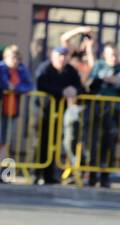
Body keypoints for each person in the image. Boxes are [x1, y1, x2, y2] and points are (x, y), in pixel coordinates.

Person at [33, 44, 81, 184]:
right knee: (40, 142)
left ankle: (49, 175)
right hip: (42, 111)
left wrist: (74, 90)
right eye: (59, 55)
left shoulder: (70, 70)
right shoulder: (45, 68)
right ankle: (36, 173)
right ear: (52, 56)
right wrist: (61, 91)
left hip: (60, 112)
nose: (62, 58)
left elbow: (79, 87)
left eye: (65, 56)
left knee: (54, 143)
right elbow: (41, 85)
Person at [84, 42, 120, 186]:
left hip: (114, 111)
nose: (114, 57)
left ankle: (105, 178)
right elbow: (89, 86)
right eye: (111, 54)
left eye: (116, 54)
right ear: (105, 55)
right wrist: (101, 78)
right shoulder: (98, 66)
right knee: (93, 144)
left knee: (109, 144)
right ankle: (91, 176)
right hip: (96, 109)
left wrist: (117, 82)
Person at [0, 43, 32, 172]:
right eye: (13, 57)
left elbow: (29, 86)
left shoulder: (21, 69)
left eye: (18, 58)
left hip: (12, 109)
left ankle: (3, 171)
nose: (16, 61)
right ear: (5, 57)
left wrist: (15, 88)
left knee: (5, 141)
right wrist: (6, 86)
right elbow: (0, 83)